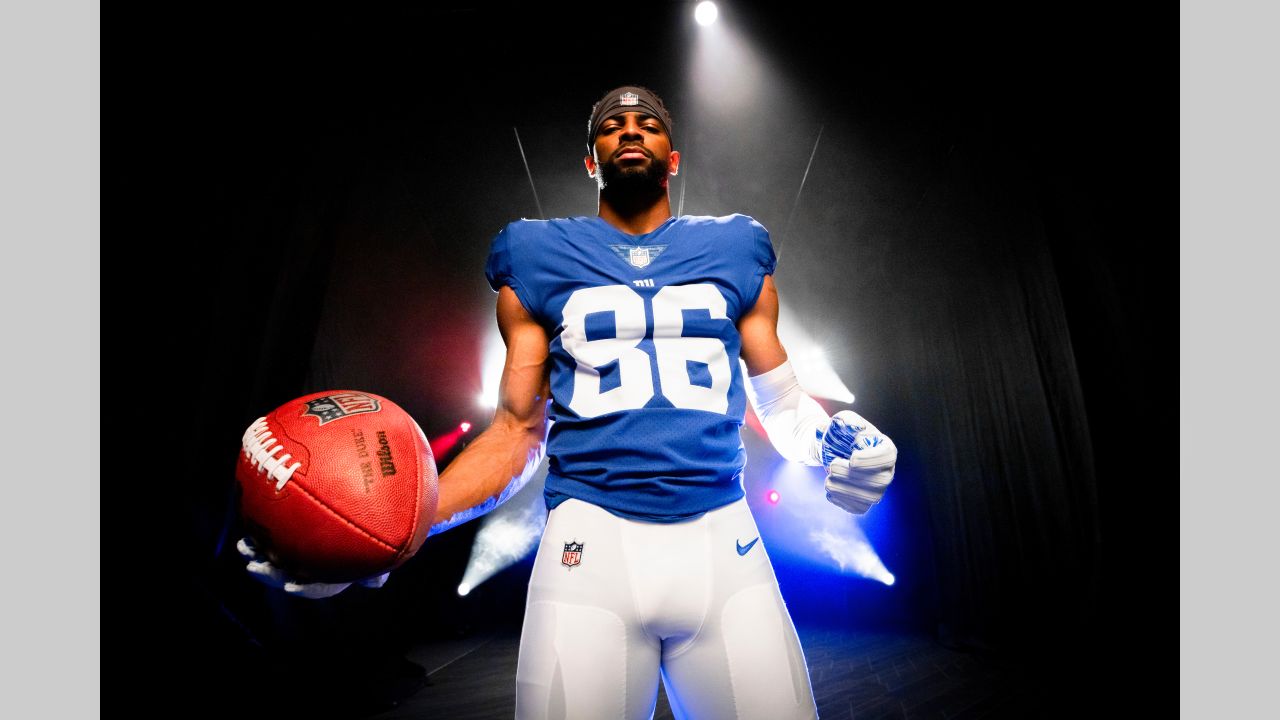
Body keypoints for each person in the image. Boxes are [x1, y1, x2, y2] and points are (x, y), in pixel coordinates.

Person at [239, 85, 898, 719]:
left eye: (648, 124)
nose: (630, 129)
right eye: (611, 125)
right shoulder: (536, 252)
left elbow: (781, 402)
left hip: (724, 540)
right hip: (591, 551)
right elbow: (517, 431)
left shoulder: (735, 245)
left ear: (673, 158)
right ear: (591, 162)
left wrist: (838, 440)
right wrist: (395, 534)